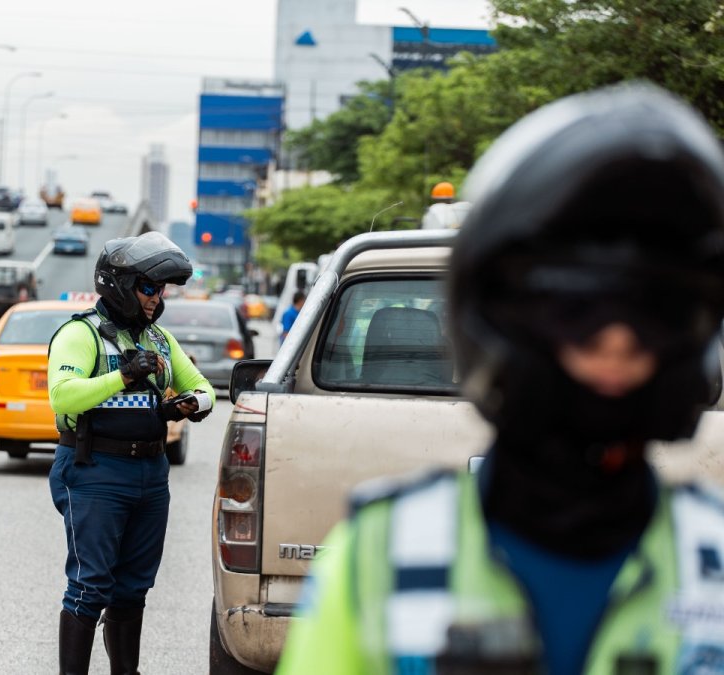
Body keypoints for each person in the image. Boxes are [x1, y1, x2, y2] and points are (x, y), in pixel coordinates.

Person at [278, 84, 724, 674]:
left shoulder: (713, 563)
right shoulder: (380, 561)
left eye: (657, 308)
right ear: (497, 315)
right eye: (576, 307)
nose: (618, 341)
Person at [47, 232, 216, 674]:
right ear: (119, 284)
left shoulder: (159, 340)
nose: (156, 298)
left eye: (161, 290)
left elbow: (204, 388)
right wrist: (121, 376)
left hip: (150, 473)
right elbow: (63, 397)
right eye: (148, 287)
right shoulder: (79, 333)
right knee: (90, 586)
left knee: (133, 588)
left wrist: (189, 404)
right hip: (95, 468)